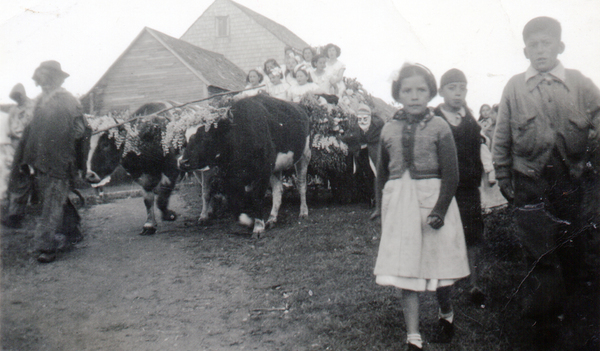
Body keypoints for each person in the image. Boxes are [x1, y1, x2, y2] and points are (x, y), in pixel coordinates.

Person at [492, 16, 600, 337]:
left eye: (547, 44)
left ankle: (576, 312)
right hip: (529, 181)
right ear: (525, 52)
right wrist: (502, 175)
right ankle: (543, 322)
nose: (540, 51)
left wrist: (592, 150)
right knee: (539, 250)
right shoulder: (514, 86)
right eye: (533, 46)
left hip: (571, 181)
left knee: (572, 247)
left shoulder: (580, 82)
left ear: (560, 47)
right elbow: (501, 137)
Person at [373, 63, 470, 350]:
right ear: (397, 94)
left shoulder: (440, 127)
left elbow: (452, 174)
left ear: (430, 93)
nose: (414, 96)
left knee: (439, 267)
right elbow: (381, 174)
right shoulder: (388, 128)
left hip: (433, 202)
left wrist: (440, 209)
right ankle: (413, 335)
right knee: (406, 268)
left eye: (421, 90)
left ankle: (446, 312)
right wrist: (381, 208)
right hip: (399, 203)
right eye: (407, 90)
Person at [6, 60, 91, 263]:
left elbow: (80, 130)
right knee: (53, 196)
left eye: (46, 81)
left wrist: (64, 140)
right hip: (40, 160)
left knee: (52, 200)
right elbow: (31, 130)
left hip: (62, 159)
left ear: (55, 80)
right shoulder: (39, 101)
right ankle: (73, 231)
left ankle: (46, 246)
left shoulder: (69, 100)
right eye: (40, 82)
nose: (43, 86)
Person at [434, 68, 491, 306]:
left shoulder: (469, 119)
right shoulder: (434, 118)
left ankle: (474, 284)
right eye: (451, 88)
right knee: (445, 234)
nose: (457, 93)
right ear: (441, 91)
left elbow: (478, 148)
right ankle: (446, 279)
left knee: (473, 235)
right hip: (444, 188)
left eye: (462, 88)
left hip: (468, 187)